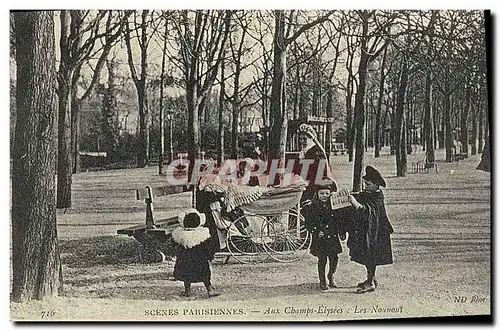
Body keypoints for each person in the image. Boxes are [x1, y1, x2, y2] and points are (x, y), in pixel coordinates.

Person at [347, 165, 394, 294]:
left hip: (377, 232)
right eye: (365, 183)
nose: (365, 186)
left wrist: (355, 204)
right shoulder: (370, 194)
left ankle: (370, 282)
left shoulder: (378, 197)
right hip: (370, 230)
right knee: (367, 255)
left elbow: (369, 211)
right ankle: (370, 278)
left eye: (368, 184)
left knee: (371, 256)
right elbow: (361, 196)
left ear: (376, 185)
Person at [302, 179, 346, 290]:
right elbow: (308, 223)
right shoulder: (312, 207)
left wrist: (341, 231)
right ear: (316, 194)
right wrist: (316, 231)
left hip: (332, 235)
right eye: (321, 193)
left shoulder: (334, 205)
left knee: (334, 258)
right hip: (321, 238)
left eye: (327, 193)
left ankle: (331, 275)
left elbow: (339, 219)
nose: (324, 195)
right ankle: (322, 280)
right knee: (322, 259)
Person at [172, 209, 220, 298]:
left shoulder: (180, 235)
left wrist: (178, 257)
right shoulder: (202, 235)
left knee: (187, 276)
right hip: (200, 261)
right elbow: (208, 247)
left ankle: (187, 291)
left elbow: (176, 247)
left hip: (185, 261)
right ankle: (210, 290)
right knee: (205, 275)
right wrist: (210, 257)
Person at [295, 124, 331, 201]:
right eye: (300, 139)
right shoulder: (304, 151)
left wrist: (310, 183)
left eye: (305, 139)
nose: (302, 141)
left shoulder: (317, 151)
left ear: (311, 138)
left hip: (314, 185)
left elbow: (321, 172)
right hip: (304, 183)